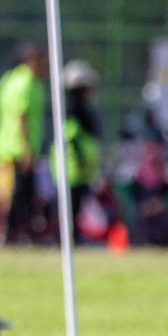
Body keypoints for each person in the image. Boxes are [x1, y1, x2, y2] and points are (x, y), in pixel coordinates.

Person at [0, 44, 48, 244]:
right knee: (16, 194)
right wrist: (26, 150)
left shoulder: (9, 80)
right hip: (18, 148)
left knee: (16, 193)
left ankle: (17, 232)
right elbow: (20, 116)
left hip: (5, 145)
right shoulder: (27, 83)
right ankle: (7, 233)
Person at [61, 60, 103, 243]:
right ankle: (68, 238)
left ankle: (75, 237)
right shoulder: (72, 109)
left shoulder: (79, 108)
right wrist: (80, 158)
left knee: (77, 205)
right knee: (71, 204)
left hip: (81, 167)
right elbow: (70, 135)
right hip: (74, 166)